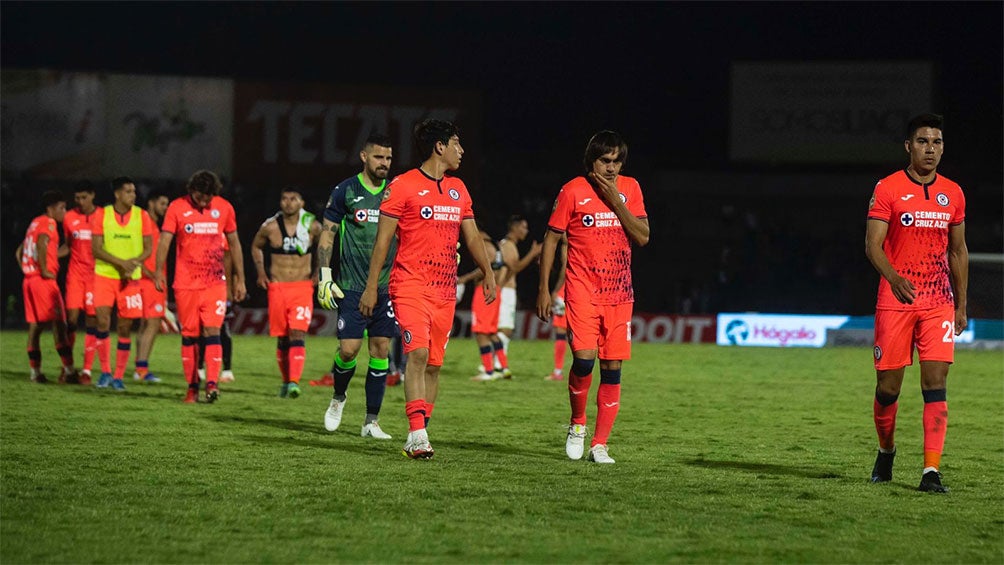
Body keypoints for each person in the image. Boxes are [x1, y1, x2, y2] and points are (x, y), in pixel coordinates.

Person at [358, 119, 497, 458]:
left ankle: (421, 429)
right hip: (409, 287)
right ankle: (417, 433)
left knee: (434, 365)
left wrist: (488, 272)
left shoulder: (458, 189)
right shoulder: (402, 186)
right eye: (456, 144)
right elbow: (383, 241)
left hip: (444, 291)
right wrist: (371, 287)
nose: (461, 151)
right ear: (440, 147)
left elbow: (473, 236)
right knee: (416, 355)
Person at [865, 113, 968, 493]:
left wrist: (960, 304)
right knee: (888, 388)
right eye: (923, 141)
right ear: (909, 146)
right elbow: (872, 246)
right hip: (895, 300)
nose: (931, 149)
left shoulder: (953, 193)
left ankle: (931, 472)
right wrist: (894, 279)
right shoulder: (888, 188)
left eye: (937, 142)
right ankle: (886, 450)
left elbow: (958, 251)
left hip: (938, 299)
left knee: (935, 382)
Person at [537, 130, 649, 464]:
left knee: (612, 368)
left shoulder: (630, 189)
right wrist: (544, 288)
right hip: (582, 290)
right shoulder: (573, 190)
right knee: (584, 361)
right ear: (592, 161)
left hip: (619, 294)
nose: (611, 167)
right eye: (605, 160)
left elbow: (643, 236)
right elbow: (552, 239)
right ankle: (577, 424)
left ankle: (600, 444)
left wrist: (616, 201)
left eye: (616, 161)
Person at [316, 133, 397, 439]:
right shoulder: (346, 191)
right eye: (378, 157)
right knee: (349, 350)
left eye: (388, 158)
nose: (384, 164)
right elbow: (328, 234)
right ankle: (338, 397)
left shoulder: (396, 193)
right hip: (351, 285)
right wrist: (324, 275)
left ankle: (371, 422)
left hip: (386, 286)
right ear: (364, 157)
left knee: (380, 349)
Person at [156, 170, 247, 403]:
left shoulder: (224, 208)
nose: (204, 201)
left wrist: (240, 278)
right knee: (190, 335)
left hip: (214, 282)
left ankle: (212, 385)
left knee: (213, 331)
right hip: (185, 284)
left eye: (208, 197)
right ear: (191, 190)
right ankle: (192, 387)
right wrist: (158, 272)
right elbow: (165, 241)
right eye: (200, 196)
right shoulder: (176, 208)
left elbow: (235, 243)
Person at [251, 187, 321, 399]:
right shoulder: (270, 226)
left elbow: (325, 247)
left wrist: (319, 272)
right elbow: (256, 246)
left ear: (302, 203)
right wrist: (261, 272)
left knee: (297, 333)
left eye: (293, 199)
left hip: (301, 287)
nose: (288, 203)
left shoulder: (312, 225)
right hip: (278, 287)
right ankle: (285, 380)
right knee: (282, 338)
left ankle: (293, 382)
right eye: (284, 198)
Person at [90, 177, 156, 390]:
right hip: (105, 275)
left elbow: (148, 247)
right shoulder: (101, 214)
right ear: (117, 194)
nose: (133, 195)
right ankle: (105, 373)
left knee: (125, 327)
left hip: (131, 278)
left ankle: (118, 376)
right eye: (128, 191)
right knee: (102, 322)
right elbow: (96, 248)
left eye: (134, 191)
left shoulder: (142, 215)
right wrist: (121, 263)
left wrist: (133, 264)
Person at [16, 190, 79, 383]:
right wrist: (43, 269)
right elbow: (43, 243)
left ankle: (35, 372)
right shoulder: (48, 223)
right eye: (62, 207)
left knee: (35, 327)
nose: (64, 211)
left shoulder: (34, 223)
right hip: (43, 282)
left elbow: (19, 252)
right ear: (51, 208)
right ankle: (69, 372)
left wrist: (28, 269)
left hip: (29, 280)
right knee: (59, 325)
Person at [493, 215, 542, 377]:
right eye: (523, 227)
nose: (526, 231)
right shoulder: (508, 246)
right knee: (504, 329)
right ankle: (497, 365)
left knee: (504, 329)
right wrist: (532, 253)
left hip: (505, 290)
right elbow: (514, 268)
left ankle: (497, 364)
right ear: (514, 227)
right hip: (505, 291)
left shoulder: (507, 244)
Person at [459, 230, 510, 381]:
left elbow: (485, 269)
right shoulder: (496, 246)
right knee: (491, 332)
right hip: (495, 291)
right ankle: (504, 367)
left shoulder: (485, 246)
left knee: (481, 332)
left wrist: (465, 278)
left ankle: (488, 371)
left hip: (484, 292)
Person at [61, 180, 98, 384]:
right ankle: (68, 368)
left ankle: (87, 371)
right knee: (72, 322)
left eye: (84, 197)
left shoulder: (102, 216)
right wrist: (50, 257)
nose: (80, 201)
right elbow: (68, 245)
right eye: (77, 198)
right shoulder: (69, 217)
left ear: (92, 195)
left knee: (92, 322)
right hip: (75, 276)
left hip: (95, 277)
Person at [133, 191, 170, 383]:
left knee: (145, 325)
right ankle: (142, 369)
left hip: (149, 280)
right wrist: (154, 275)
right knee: (153, 324)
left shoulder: (152, 224)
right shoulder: (145, 222)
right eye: (162, 203)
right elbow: (139, 254)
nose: (165, 208)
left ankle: (139, 367)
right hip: (149, 282)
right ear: (151, 202)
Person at [545, 235, 569, 381]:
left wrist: (556, 290)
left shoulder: (567, 245)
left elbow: (566, 269)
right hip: (582, 288)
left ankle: (558, 371)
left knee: (561, 332)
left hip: (567, 289)